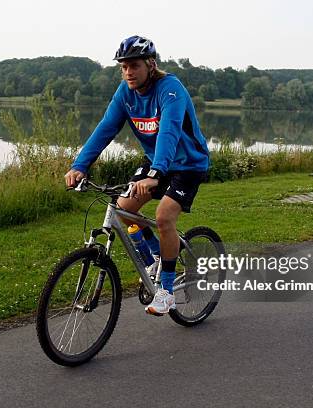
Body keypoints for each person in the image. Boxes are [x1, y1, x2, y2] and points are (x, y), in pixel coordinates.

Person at [64, 35, 209, 315]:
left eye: (134, 66)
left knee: (164, 216)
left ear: (150, 65)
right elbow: (105, 129)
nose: (128, 72)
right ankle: (156, 253)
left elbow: (169, 130)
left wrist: (155, 174)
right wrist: (80, 165)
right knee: (124, 209)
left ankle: (166, 292)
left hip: (188, 164)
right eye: (124, 67)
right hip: (157, 161)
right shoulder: (125, 93)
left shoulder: (170, 89)